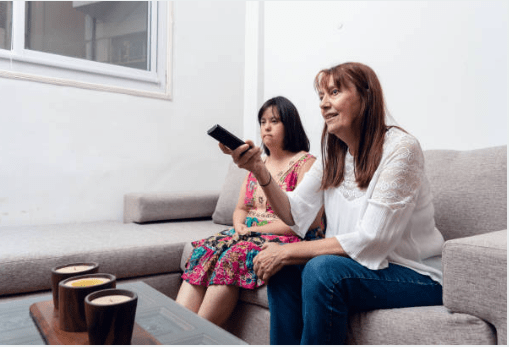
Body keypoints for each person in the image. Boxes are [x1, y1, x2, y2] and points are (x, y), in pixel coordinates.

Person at [221, 62, 445, 344]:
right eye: (321, 96)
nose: (324, 104)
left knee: (320, 268)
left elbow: (372, 239)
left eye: (334, 92)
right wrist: (258, 169)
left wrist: (287, 252)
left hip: (415, 275)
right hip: (358, 268)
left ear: (365, 97)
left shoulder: (401, 149)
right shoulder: (333, 155)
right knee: (284, 268)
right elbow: (294, 213)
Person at [176, 96, 324, 327]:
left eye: (274, 121)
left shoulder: (305, 162)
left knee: (232, 256)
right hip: (249, 232)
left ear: (290, 124)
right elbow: (241, 208)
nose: (266, 127)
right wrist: (239, 226)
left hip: (288, 234)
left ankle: (197, 337)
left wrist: (250, 231)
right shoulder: (258, 163)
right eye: (262, 121)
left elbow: (307, 223)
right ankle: (175, 332)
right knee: (204, 249)